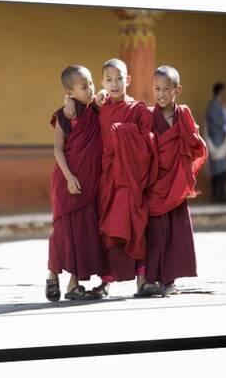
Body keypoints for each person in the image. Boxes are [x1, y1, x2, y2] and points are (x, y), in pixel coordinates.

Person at [63, 58, 159, 298]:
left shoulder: (137, 109)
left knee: (135, 227)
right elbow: (80, 126)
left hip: (131, 181)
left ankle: (143, 280)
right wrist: (70, 103)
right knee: (107, 230)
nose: (114, 84)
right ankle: (105, 283)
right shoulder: (100, 108)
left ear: (128, 80)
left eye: (119, 79)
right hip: (106, 180)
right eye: (108, 79)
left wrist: (122, 133)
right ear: (102, 82)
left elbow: (149, 142)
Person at [145, 65, 208, 295]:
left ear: (177, 90)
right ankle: (150, 279)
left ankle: (170, 281)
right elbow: (144, 147)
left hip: (177, 183)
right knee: (155, 232)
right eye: (157, 89)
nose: (161, 94)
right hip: (157, 182)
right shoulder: (149, 115)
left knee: (176, 232)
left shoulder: (183, 113)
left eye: (166, 89)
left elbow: (195, 142)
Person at [45, 65, 105, 301]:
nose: (90, 89)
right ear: (69, 92)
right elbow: (58, 150)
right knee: (62, 232)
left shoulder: (96, 110)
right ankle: (52, 275)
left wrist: (98, 97)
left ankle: (73, 284)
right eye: (83, 86)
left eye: (90, 83)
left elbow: (107, 95)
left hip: (89, 184)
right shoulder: (64, 115)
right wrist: (69, 177)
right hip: (67, 182)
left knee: (82, 233)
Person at [205, 82, 226, 202]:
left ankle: (218, 194)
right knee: (221, 169)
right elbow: (217, 122)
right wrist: (225, 117)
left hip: (220, 140)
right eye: (223, 91)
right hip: (216, 141)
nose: (225, 94)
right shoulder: (213, 106)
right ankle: (218, 195)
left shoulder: (219, 105)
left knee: (220, 169)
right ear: (219, 92)